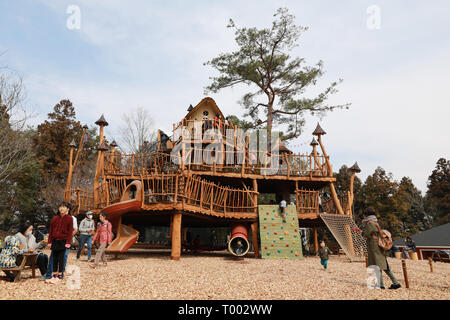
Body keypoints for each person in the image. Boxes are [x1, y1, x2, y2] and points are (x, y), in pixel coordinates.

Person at [362, 207, 401, 290]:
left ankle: (381, 284)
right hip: (379, 245)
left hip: (373, 246)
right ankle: (395, 282)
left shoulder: (369, 223)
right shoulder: (375, 222)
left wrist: (362, 232)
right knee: (384, 265)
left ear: (366, 214)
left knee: (377, 265)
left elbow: (367, 234)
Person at [45, 202, 73, 284]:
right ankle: (54, 276)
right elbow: (51, 231)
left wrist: (68, 242)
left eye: (64, 207)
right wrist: (49, 241)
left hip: (63, 241)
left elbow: (70, 231)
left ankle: (60, 276)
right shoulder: (55, 218)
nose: (61, 208)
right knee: (54, 259)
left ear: (67, 209)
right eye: (60, 207)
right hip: (55, 241)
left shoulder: (69, 218)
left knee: (61, 258)